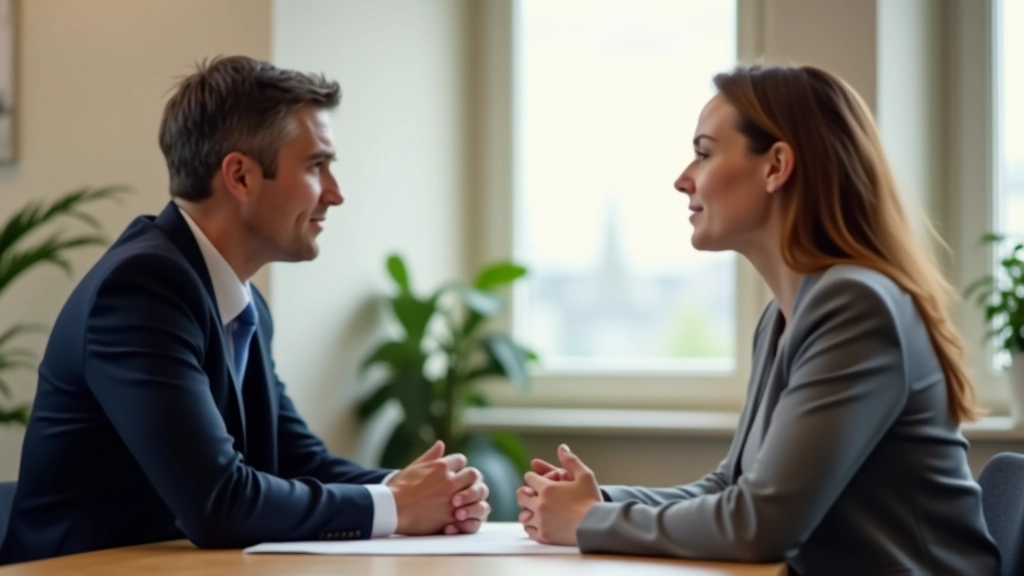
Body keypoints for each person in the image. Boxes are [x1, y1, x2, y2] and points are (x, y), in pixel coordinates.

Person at [0, 56, 490, 564]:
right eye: (316, 165)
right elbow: (220, 503)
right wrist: (395, 505)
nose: (336, 194)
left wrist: (425, 492)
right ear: (240, 176)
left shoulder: (240, 301)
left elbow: (297, 460)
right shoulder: (141, 288)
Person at [516, 65, 1001, 575]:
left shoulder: (856, 305)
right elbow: (731, 489)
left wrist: (592, 519)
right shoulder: (785, 315)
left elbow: (759, 526)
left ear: (776, 166)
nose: (683, 179)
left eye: (704, 153)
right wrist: (598, 502)